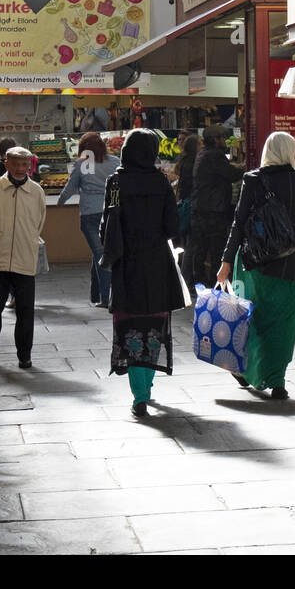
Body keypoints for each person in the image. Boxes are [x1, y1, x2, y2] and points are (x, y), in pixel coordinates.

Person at [216, 131, 295, 400]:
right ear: (290, 151)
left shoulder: (253, 180)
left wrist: (226, 261)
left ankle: (245, 369)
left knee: (253, 318)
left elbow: (238, 223)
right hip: (289, 269)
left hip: (255, 266)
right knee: (283, 325)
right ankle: (277, 381)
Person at [100, 128, 185, 417]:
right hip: (157, 264)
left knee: (130, 325)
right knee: (153, 325)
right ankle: (145, 388)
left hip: (127, 265)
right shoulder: (161, 181)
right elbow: (173, 227)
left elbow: (105, 227)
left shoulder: (115, 182)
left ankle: (139, 395)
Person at [0, 146, 46, 369]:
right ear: (5, 163)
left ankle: (24, 355)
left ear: (29, 166)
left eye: (23, 165)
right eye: (15, 164)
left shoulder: (36, 191)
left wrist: (25, 238)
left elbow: (39, 222)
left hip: (24, 258)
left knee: (26, 312)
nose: (19, 169)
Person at [56, 131, 118, 307]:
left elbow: (70, 188)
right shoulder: (114, 162)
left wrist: (60, 202)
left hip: (90, 214)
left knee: (100, 255)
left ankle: (106, 298)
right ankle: (96, 294)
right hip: (111, 212)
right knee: (99, 253)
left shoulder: (82, 164)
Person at [186, 124, 243, 294]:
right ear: (216, 139)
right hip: (213, 211)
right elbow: (231, 174)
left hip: (200, 209)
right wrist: (246, 168)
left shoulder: (202, 154)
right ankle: (213, 285)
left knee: (200, 249)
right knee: (216, 248)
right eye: (223, 138)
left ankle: (199, 284)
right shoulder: (215, 155)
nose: (225, 141)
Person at [175, 133, 199, 290]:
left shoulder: (183, 162)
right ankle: (186, 279)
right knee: (191, 244)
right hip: (191, 205)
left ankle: (183, 277)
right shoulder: (194, 164)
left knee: (186, 243)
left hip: (184, 203)